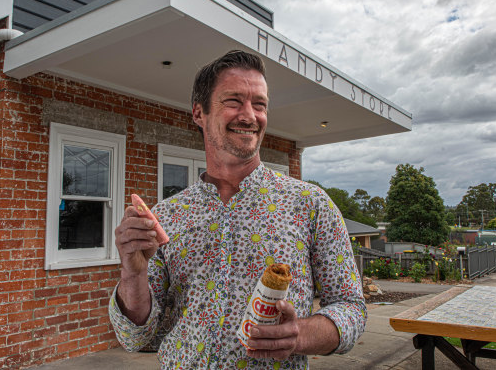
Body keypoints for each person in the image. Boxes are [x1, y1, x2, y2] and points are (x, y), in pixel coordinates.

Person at [109, 50, 366, 369]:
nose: (249, 115)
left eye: (259, 104)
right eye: (233, 101)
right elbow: (134, 337)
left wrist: (297, 334)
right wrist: (133, 272)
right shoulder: (166, 216)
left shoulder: (310, 204)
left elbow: (351, 308)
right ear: (199, 113)